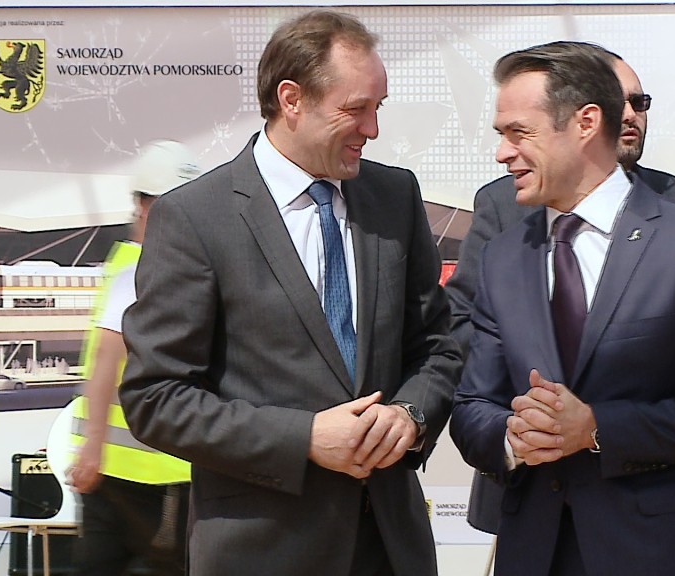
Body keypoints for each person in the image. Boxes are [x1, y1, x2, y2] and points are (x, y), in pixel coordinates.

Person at [117, 11, 461, 576]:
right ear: (291, 99)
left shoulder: (394, 197)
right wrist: (304, 439)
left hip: (390, 548)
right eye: (356, 109)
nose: (373, 129)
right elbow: (156, 399)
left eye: (378, 107)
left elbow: (437, 347)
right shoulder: (197, 217)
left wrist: (410, 414)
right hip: (262, 552)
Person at [448, 41, 675, 575]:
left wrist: (597, 428)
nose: (503, 153)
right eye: (501, 134)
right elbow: (471, 405)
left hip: (659, 554)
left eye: (519, 133)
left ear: (585, 123)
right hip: (534, 551)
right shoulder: (505, 256)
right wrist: (512, 436)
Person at [67, 139, 199, 576]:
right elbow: (106, 357)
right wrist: (93, 449)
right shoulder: (144, 268)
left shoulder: (132, 261)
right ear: (143, 207)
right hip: (153, 476)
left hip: (138, 473)